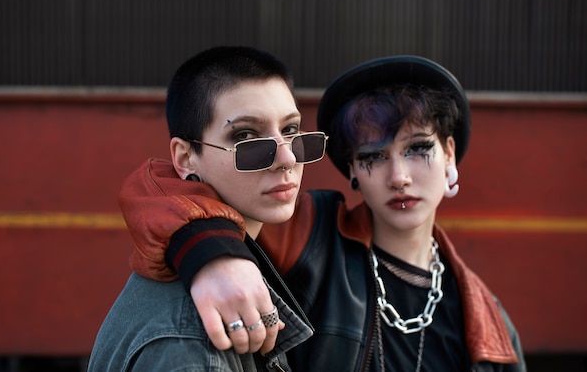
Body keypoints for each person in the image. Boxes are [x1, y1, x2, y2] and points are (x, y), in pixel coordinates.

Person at [117, 55, 527, 371]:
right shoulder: (310, 232)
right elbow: (161, 188)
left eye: (418, 149)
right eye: (373, 156)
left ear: (449, 154)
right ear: (351, 168)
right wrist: (213, 253)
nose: (399, 177)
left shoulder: (488, 323)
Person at [88, 46, 333, 371]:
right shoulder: (197, 342)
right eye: (246, 136)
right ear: (186, 158)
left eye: (290, 130)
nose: (287, 158)